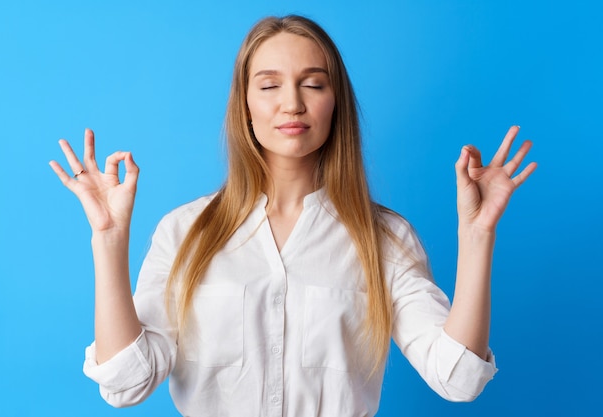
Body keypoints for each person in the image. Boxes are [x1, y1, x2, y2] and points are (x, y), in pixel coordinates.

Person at [49, 15, 536, 417]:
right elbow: (125, 384)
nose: (292, 103)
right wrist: (108, 240)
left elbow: (458, 379)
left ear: (334, 103)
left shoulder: (385, 237)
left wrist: (477, 235)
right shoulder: (184, 232)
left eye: (313, 83)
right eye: (269, 85)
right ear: (245, 105)